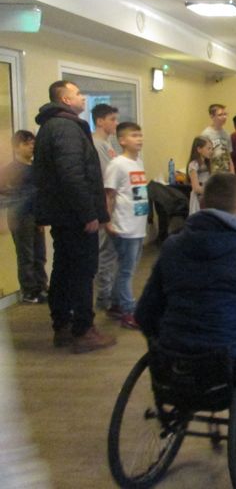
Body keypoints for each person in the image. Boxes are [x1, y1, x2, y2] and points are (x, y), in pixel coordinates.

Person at [135, 172, 236, 387]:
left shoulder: (172, 247)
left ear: (202, 204)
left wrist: (166, 342)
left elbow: (144, 314)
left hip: (173, 363)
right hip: (225, 363)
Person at [34, 80, 116, 353]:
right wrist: (88, 213)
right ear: (66, 100)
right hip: (74, 216)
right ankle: (83, 330)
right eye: (78, 93)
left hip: (64, 214)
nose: (83, 97)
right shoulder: (65, 128)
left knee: (64, 269)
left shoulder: (54, 125)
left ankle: (63, 325)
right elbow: (72, 174)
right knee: (82, 271)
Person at [103, 122, 148, 330]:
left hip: (138, 224)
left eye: (140, 135)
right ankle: (129, 311)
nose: (139, 139)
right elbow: (109, 195)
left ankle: (115, 305)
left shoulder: (138, 161)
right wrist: (108, 220)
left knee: (127, 268)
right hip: (124, 225)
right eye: (134, 135)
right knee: (127, 270)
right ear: (122, 140)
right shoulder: (117, 164)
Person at [1, 131, 48, 304]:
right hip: (20, 216)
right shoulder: (10, 170)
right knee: (26, 254)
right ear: (16, 147)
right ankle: (29, 291)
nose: (31, 147)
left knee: (40, 254)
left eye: (32, 143)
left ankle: (42, 286)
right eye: (26, 144)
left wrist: (42, 217)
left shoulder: (37, 167)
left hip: (36, 215)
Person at [91, 103, 119, 311]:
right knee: (106, 252)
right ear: (100, 121)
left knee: (112, 252)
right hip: (105, 206)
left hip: (114, 205)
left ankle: (110, 294)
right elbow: (105, 179)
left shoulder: (108, 144)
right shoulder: (96, 144)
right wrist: (107, 213)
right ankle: (104, 296)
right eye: (112, 119)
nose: (116, 123)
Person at [201, 103, 234, 174]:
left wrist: (232, 173)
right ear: (212, 116)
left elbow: (229, 157)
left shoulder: (227, 134)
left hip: (226, 173)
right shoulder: (206, 134)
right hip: (212, 174)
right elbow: (203, 158)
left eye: (225, 114)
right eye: (220, 115)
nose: (224, 117)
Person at [187, 136, 212, 215]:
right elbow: (196, 188)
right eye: (208, 149)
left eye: (212, 149)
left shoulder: (208, 164)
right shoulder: (193, 165)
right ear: (199, 149)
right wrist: (212, 191)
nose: (211, 151)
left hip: (207, 198)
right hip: (198, 200)